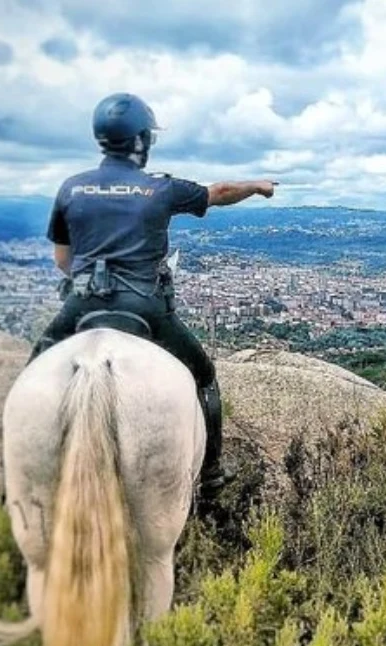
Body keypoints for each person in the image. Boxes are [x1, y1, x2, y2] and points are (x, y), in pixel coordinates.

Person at [28, 91, 277, 515]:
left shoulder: (71, 188)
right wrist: (257, 186)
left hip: (83, 304)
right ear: (142, 140)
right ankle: (213, 473)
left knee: (32, 372)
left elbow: (62, 260)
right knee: (203, 375)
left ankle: (16, 477)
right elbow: (218, 192)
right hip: (145, 306)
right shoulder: (159, 187)